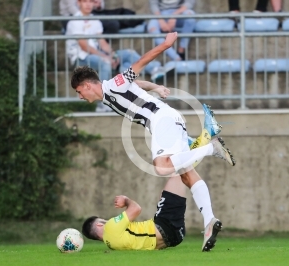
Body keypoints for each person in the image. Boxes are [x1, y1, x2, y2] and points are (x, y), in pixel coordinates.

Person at [70, 32, 236, 251]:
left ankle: (208, 147)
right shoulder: (110, 93)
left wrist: (166, 45)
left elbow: (139, 64)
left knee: (162, 167)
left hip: (161, 120)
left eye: (79, 91)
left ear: (87, 85)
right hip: (167, 120)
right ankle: (209, 221)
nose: (80, 96)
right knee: (184, 172)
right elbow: (136, 82)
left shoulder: (112, 86)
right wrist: (156, 87)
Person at [82, 175, 205, 250]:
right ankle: (206, 145)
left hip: (174, 238)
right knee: (178, 172)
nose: (107, 220)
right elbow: (136, 209)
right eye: (102, 220)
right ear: (99, 225)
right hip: (165, 226)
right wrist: (126, 200)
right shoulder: (110, 227)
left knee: (168, 191)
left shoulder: (111, 244)